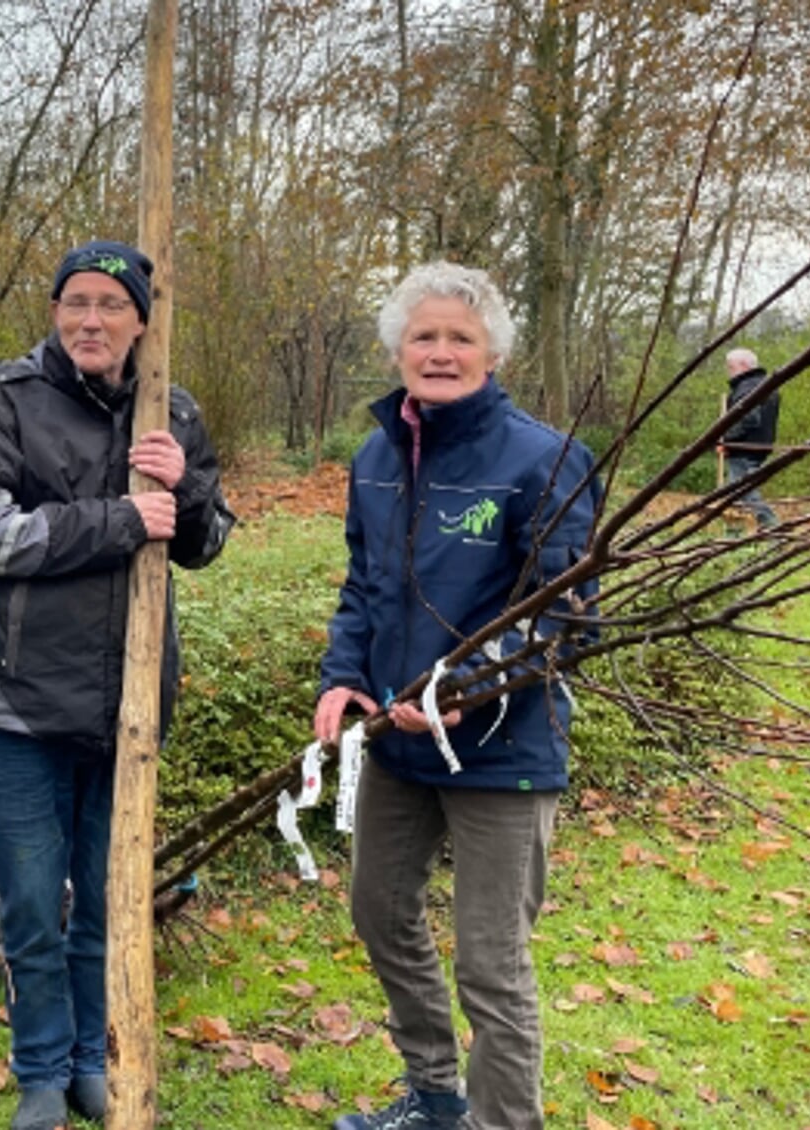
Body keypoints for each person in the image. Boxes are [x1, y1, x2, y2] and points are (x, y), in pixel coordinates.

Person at [0, 241, 234, 1130]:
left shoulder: (173, 411)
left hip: (129, 709)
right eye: (75, 301)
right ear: (55, 310)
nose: (89, 320)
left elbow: (208, 541)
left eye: (111, 305)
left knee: (106, 902)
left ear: (140, 319)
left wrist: (182, 495)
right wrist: (117, 519)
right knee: (33, 903)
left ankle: (88, 1059)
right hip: (18, 706)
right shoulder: (4, 400)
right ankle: (38, 1070)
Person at [314, 262, 600, 1130]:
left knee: (491, 962)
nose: (440, 352)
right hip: (399, 744)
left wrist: (469, 691)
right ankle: (435, 1094)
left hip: (504, 753)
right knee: (378, 913)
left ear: (491, 351)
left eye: (459, 338)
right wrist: (343, 677)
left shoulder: (544, 459)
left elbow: (566, 618)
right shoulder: (372, 457)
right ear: (399, 349)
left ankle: (501, 1121)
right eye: (424, 336)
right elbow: (364, 586)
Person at [719, 347, 779, 529]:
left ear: (744, 366)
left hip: (744, 448)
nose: (728, 371)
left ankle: (772, 528)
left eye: (731, 367)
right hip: (756, 447)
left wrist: (726, 439)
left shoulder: (748, 388)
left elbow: (749, 419)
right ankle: (733, 533)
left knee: (745, 492)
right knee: (735, 493)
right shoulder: (763, 385)